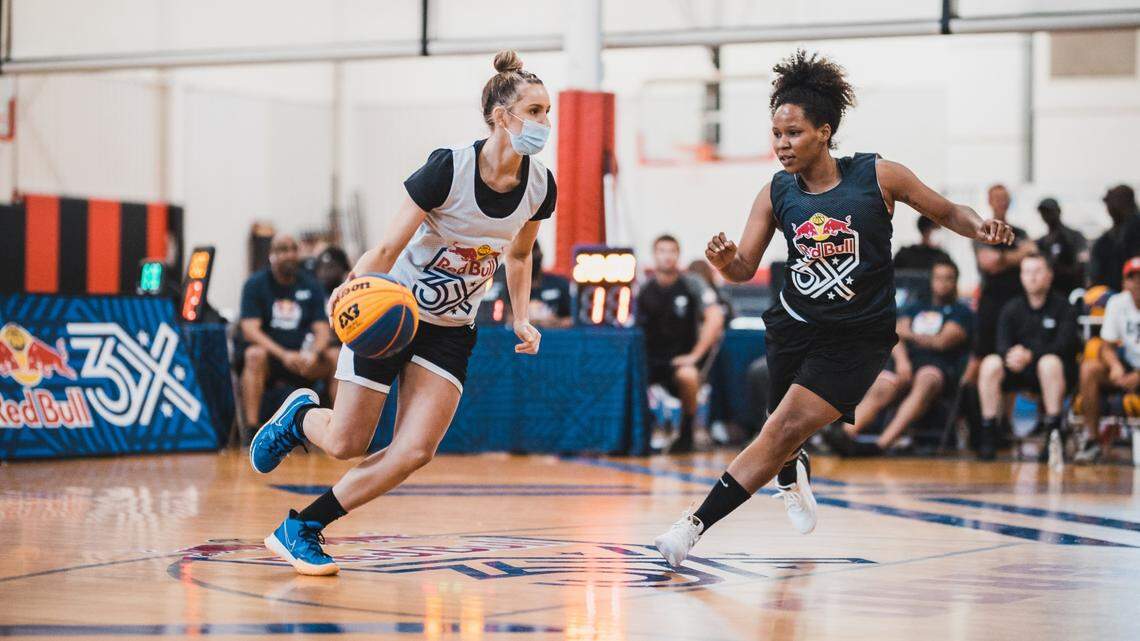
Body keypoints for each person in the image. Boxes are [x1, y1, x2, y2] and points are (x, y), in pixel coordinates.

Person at [652, 50, 1013, 568]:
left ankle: (689, 529)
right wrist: (728, 261)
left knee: (778, 432)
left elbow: (948, 210)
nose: (782, 144)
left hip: (855, 340)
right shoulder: (776, 192)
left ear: (824, 131)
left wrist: (980, 227)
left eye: (793, 133)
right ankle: (789, 474)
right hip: (794, 327)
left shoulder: (878, 176)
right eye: (776, 134)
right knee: (780, 434)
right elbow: (742, 268)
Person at [247, 50, 556, 575]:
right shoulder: (448, 168)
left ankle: (302, 527)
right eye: (534, 111)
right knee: (347, 443)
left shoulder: (540, 186)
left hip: (452, 330)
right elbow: (388, 248)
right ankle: (300, 417)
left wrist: (520, 317)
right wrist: (351, 292)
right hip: (393, 312)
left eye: (548, 111)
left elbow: (520, 254)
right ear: (501, 116)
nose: (544, 123)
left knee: (414, 451)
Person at [824, 260, 973, 456]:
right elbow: (896, 335)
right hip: (907, 361)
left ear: (955, 282)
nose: (943, 283)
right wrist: (903, 362)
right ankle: (845, 436)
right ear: (931, 281)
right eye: (938, 278)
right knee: (883, 385)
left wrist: (908, 334)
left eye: (948, 279)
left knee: (926, 380)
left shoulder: (961, 312)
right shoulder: (915, 307)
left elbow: (942, 342)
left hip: (938, 365)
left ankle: (881, 445)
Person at [976, 255, 1079, 460]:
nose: (1032, 277)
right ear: (1021, 277)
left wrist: (1031, 355)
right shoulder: (1011, 308)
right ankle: (989, 431)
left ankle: (1053, 433)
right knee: (990, 363)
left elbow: (1065, 346)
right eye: (1027, 272)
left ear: (1049, 276)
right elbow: (1001, 345)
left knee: (1049, 363)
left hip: (1053, 373)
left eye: (1038, 271)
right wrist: (1011, 355)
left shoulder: (1064, 307)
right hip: (1018, 369)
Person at [237, 233, 337, 427]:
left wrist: (314, 354)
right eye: (283, 250)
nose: (290, 254)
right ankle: (251, 431)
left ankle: (337, 428)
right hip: (272, 360)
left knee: (336, 356)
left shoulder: (311, 284)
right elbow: (250, 330)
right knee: (254, 355)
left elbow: (322, 329)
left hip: (304, 360)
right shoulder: (255, 284)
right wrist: (284, 355)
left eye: (293, 249)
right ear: (271, 255)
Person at [637, 235, 725, 453]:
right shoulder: (644, 289)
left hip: (680, 360)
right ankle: (642, 433)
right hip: (650, 360)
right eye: (662, 251)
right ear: (654, 255)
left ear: (678, 255)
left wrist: (695, 355)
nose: (667, 256)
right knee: (630, 377)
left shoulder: (691, 284)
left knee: (688, 375)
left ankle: (686, 433)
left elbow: (715, 318)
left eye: (672, 251)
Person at [1076, 257, 1140, 462]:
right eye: (1133, 278)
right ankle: (1092, 440)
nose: (1138, 282)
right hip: (1129, 365)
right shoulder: (1117, 303)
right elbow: (1107, 345)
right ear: (1125, 282)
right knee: (1090, 368)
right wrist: (1115, 366)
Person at [972, 184, 1035, 361]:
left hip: (1018, 300)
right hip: (991, 302)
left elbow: (1033, 254)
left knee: (1014, 352)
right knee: (983, 354)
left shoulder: (1020, 232)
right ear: (990, 201)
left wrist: (1003, 259)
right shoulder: (983, 230)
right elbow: (990, 262)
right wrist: (1020, 254)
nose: (1002, 202)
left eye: (1005, 199)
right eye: (998, 199)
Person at [1089, 185, 1140, 291]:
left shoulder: (1134, 228)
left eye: (1113, 202)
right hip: (1111, 293)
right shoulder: (1105, 240)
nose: (1109, 208)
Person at [1034, 197, 1087, 297]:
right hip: (1049, 295)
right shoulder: (1041, 242)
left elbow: (1081, 267)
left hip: (1071, 292)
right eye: (1043, 212)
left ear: (1058, 211)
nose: (1046, 215)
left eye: (1049, 211)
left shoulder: (1074, 236)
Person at [524, 241, 573, 327]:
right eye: (527, 254)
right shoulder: (511, 286)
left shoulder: (559, 283)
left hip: (554, 336)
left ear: (540, 255)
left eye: (534, 252)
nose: (532, 257)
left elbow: (573, 319)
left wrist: (555, 322)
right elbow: (505, 317)